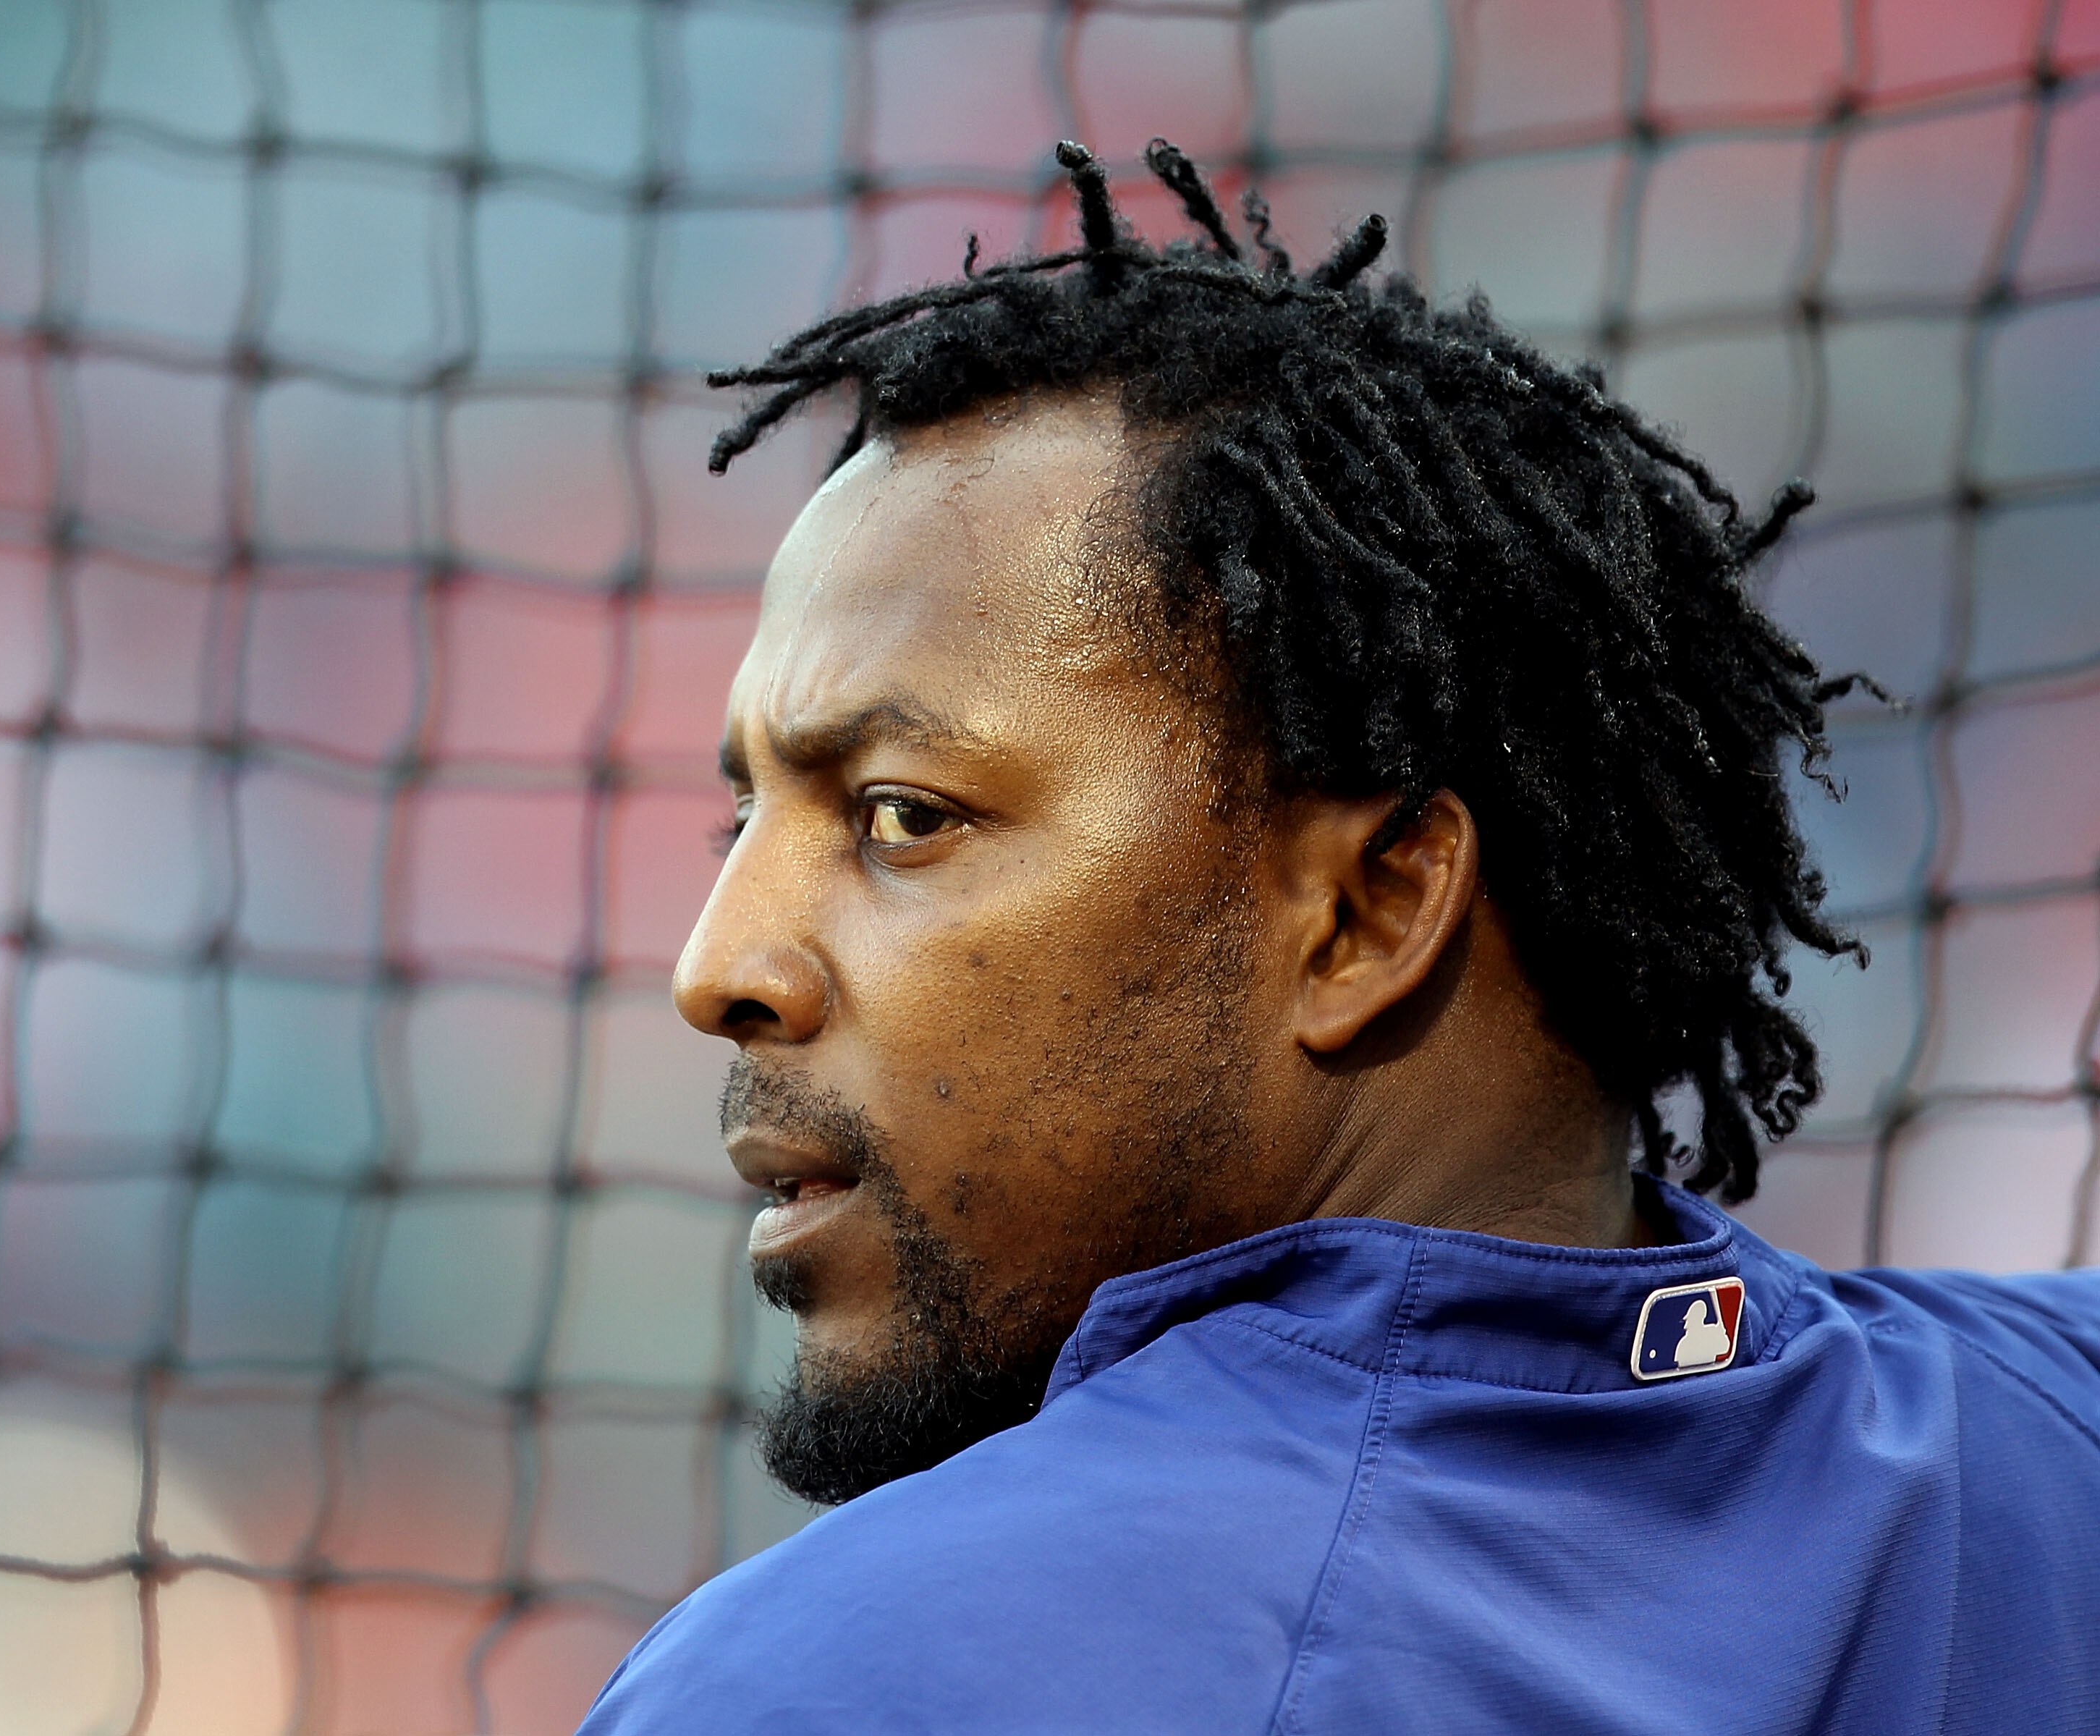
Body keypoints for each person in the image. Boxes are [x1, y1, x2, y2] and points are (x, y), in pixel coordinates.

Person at [577, 141, 2100, 1733]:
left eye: (904, 816)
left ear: (1368, 912)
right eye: (741, 821)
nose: (719, 965)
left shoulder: (844, 1682)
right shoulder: (2058, 1432)